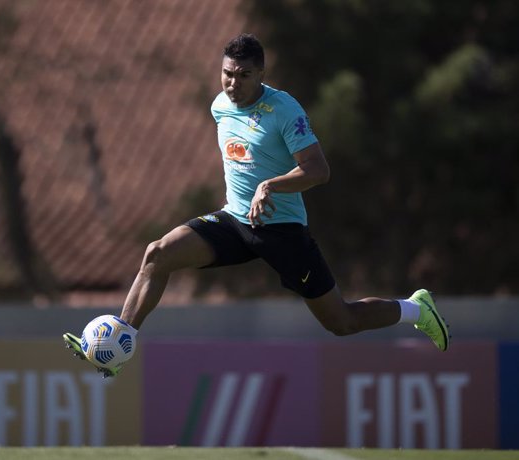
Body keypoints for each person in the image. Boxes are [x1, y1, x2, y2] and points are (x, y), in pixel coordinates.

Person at [64, 33, 449, 377]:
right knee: (157, 254)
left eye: (244, 75)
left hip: (282, 230)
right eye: (227, 73)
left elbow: (319, 171)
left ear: (261, 74)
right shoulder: (220, 106)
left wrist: (271, 186)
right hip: (234, 221)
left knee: (341, 322)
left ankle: (416, 309)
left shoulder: (285, 111)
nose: (233, 82)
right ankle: (119, 342)